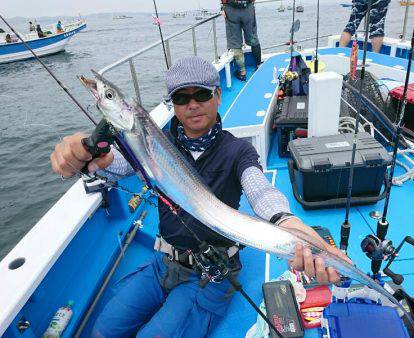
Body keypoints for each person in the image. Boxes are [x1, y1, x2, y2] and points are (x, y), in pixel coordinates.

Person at [50, 56, 349, 337]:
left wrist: (288, 221)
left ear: (218, 95)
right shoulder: (154, 143)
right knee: (103, 330)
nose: (192, 105)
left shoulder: (238, 151)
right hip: (162, 262)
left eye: (202, 95)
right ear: (173, 105)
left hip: (212, 272)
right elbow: (114, 164)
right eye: (181, 98)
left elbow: (261, 191)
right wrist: (84, 152)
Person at [221, 0, 262, 81]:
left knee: (235, 42)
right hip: (247, 9)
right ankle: (258, 65)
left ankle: (242, 73)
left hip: (231, 10)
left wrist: (222, 8)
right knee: (253, 37)